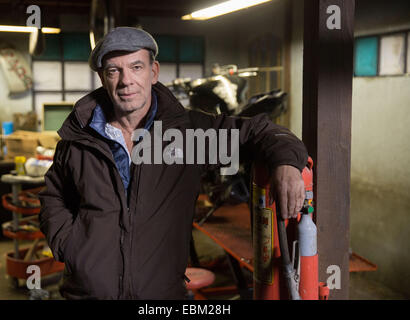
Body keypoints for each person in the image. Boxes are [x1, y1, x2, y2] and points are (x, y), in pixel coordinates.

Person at [39, 27, 308, 300]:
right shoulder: (80, 137)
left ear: (153, 72)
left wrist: (286, 163)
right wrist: (70, 246)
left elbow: (262, 132)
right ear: (102, 77)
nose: (126, 81)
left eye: (136, 67)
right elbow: (53, 195)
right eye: (113, 70)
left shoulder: (189, 135)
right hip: (86, 294)